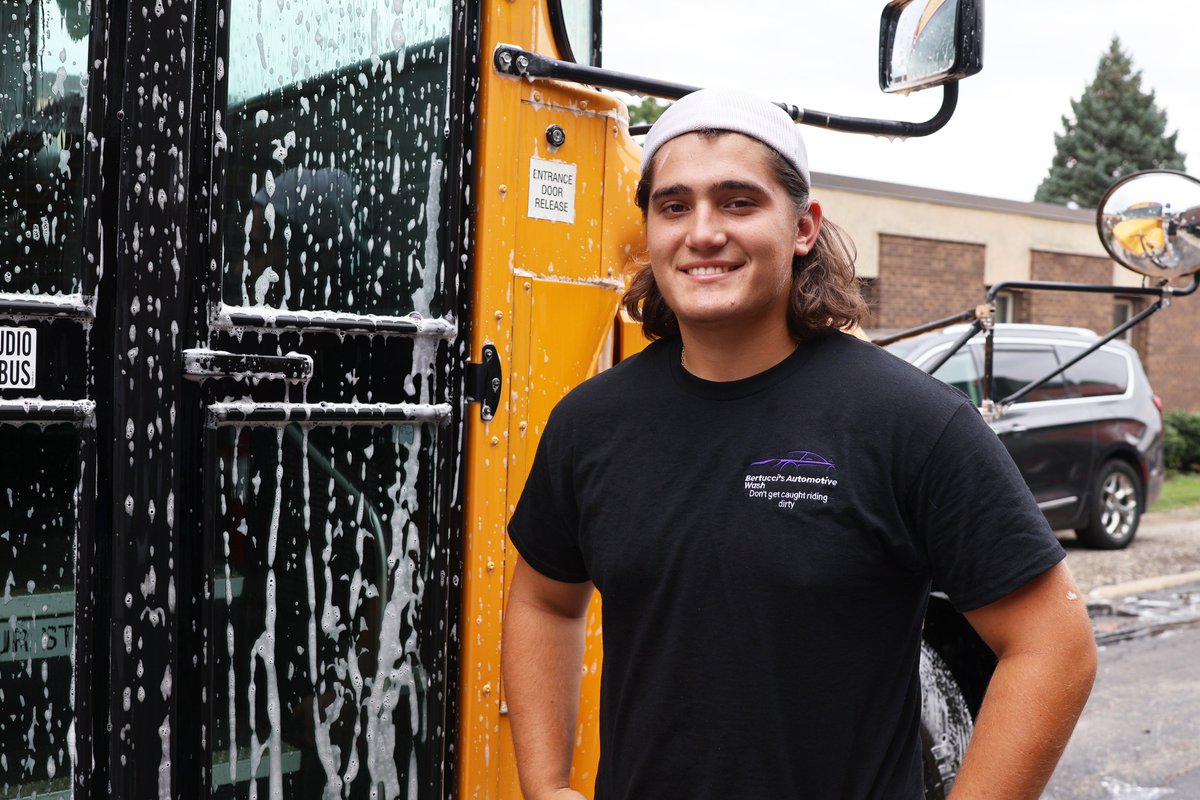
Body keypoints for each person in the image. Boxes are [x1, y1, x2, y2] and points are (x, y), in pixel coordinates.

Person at [502, 88, 1096, 799]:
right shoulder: (590, 424)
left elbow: (1052, 647)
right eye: (674, 205)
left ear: (804, 227)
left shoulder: (908, 422)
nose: (703, 232)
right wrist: (545, 784)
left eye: (738, 202)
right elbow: (545, 602)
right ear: (650, 229)